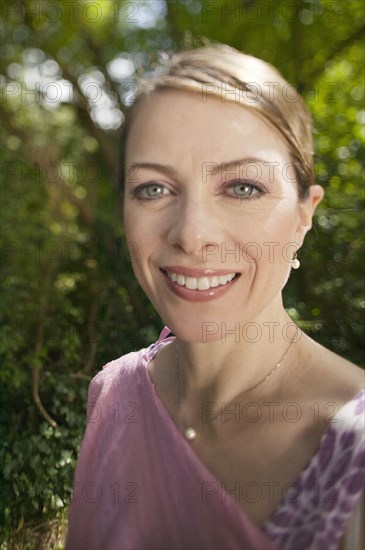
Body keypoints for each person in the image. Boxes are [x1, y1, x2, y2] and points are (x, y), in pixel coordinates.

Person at [66, 43, 364, 550]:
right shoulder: (114, 393)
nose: (192, 234)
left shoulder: (353, 456)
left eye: (243, 187)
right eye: (154, 189)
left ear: (304, 214)